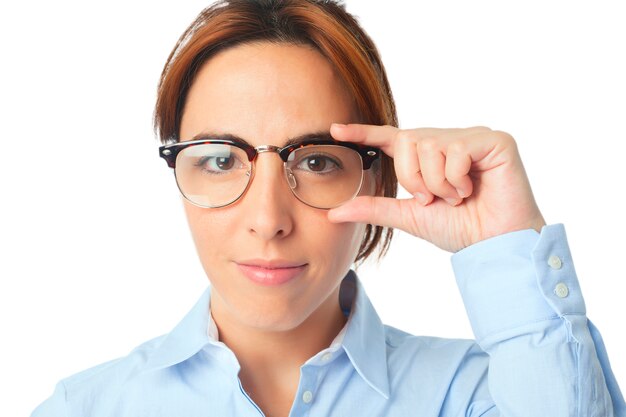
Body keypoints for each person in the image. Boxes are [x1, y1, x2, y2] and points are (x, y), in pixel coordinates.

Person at [31, 0, 625, 416]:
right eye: (219, 160)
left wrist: (506, 239)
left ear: (375, 175)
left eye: (316, 162)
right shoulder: (84, 408)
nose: (268, 219)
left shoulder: (473, 395)